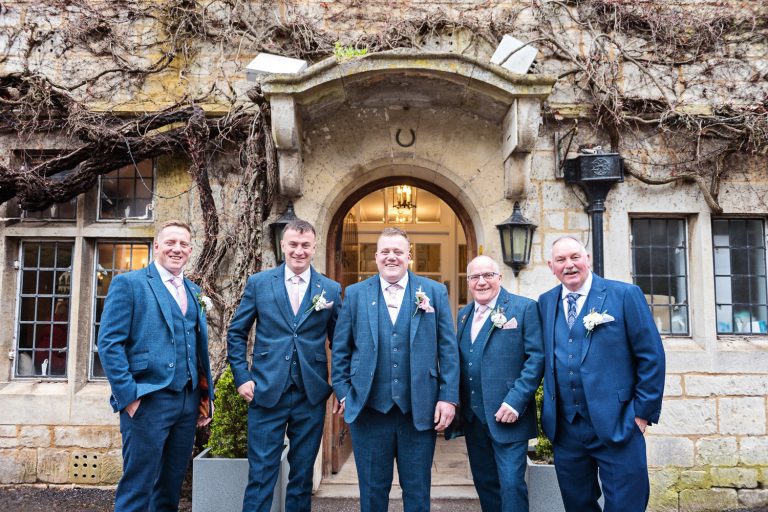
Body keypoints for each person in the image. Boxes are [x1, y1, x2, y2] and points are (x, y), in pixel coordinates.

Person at [331, 227, 459, 512]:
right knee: (372, 493)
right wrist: (344, 392)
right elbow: (340, 349)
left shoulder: (434, 292)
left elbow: (448, 350)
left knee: (417, 492)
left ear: (408, 256)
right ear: (376, 256)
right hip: (369, 410)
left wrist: (448, 397)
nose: (392, 257)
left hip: (419, 410)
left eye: (398, 251)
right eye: (385, 251)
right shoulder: (355, 294)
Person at [538, 235, 665, 512]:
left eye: (575, 257)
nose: (569, 265)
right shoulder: (545, 302)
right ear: (551, 266)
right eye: (561, 260)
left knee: (626, 504)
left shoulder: (624, 295)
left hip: (619, 422)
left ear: (588, 259)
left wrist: (641, 414)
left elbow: (651, 356)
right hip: (566, 428)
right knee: (577, 504)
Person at [98, 220, 214, 512]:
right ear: (157, 246)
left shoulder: (194, 291)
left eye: (183, 244)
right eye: (171, 242)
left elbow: (197, 349)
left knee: (169, 488)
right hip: (147, 399)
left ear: (190, 250)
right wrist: (129, 397)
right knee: (138, 487)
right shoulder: (130, 284)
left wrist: (203, 397)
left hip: (186, 403)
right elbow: (110, 344)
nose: (177, 249)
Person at [227, 219, 341, 512]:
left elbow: (340, 343)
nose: (299, 251)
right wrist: (242, 377)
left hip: (310, 394)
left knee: (302, 477)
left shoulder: (330, 289)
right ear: (283, 245)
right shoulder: (259, 283)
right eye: (293, 244)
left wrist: (340, 387)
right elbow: (237, 332)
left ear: (314, 248)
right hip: (266, 391)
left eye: (305, 245)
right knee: (261, 475)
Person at [456, 255, 544, 511]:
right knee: (485, 483)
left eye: (488, 275)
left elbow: (536, 359)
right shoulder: (463, 315)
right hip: (474, 417)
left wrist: (516, 402)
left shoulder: (524, 308)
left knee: (511, 484)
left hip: (509, 416)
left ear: (500, 278)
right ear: (468, 282)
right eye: (474, 277)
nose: (481, 282)